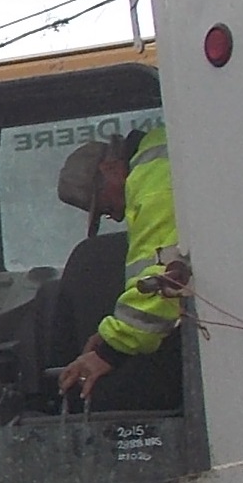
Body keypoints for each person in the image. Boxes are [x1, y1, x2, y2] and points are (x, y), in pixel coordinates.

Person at [54, 122, 180, 402]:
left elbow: (163, 279)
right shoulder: (159, 151)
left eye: (108, 208)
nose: (119, 217)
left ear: (109, 169)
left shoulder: (151, 183)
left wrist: (110, 351)